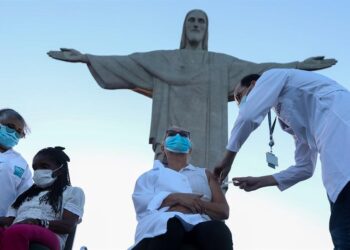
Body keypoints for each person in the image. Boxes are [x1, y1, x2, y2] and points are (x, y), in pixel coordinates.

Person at [47, 9, 337, 171]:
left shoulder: (220, 64)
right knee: (168, 180)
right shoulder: (164, 59)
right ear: (184, 28)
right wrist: (87, 57)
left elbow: (260, 70)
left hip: (210, 139)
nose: (196, 25)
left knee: (208, 185)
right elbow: (129, 63)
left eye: (201, 21)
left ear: (206, 29)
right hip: (172, 132)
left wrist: (299, 65)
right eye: (192, 21)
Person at [214, 68, 350, 249]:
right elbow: (305, 167)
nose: (240, 103)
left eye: (240, 96)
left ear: (254, 85)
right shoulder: (289, 116)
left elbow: (248, 116)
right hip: (335, 147)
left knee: (343, 228)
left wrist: (227, 160)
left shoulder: (273, 76)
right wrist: (261, 181)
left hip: (341, 127)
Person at [131, 127, 233, 250]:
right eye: (172, 133)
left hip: (200, 223)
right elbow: (143, 204)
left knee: (218, 231)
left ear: (190, 149)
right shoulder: (150, 176)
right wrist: (178, 198)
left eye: (184, 134)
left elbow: (223, 210)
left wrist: (196, 203)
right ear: (163, 148)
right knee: (170, 225)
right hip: (162, 224)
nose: (178, 136)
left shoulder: (205, 174)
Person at [0, 146, 85, 250]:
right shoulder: (24, 195)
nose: (38, 171)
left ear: (60, 170)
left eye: (44, 166)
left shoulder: (73, 192)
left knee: (17, 231)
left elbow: (68, 225)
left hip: (50, 235)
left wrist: (37, 222)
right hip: (17, 229)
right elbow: (10, 221)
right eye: (35, 168)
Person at [0, 108, 32, 217]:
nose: (14, 133)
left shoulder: (21, 164)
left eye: (19, 132)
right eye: (10, 127)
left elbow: (25, 198)